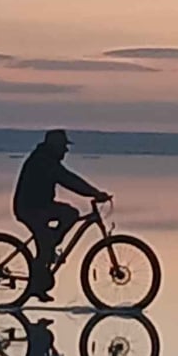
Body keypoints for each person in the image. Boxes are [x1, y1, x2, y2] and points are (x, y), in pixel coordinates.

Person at [12, 129, 109, 303]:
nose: (66, 150)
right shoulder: (43, 161)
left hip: (42, 206)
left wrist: (93, 193)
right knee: (48, 241)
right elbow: (68, 180)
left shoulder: (48, 159)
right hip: (30, 209)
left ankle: (49, 248)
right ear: (54, 146)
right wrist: (94, 193)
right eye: (63, 146)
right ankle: (37, 280)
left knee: (70, 214)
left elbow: (68, 178)